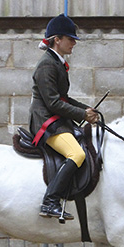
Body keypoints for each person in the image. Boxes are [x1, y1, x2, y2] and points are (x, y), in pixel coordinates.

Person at [30, 13, 99, 220]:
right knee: (77, 155)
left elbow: (64, 98)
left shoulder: (57, 63)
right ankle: (50, 201)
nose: (74, 44)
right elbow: (52, 102)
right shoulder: (47, 65)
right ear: (57, 40)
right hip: (46, 123)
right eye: (70, 39)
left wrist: (87, 109)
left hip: (57, 120)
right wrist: (81, 114)